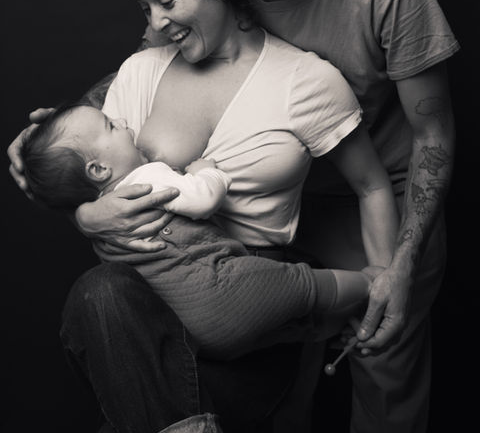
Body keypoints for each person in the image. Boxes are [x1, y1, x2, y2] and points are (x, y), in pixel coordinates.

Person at [8, 0, 401, 433]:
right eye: (144, 7)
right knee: (101, 292)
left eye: (166, 0)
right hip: (150, 308)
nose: (155, 22)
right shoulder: (139, 73)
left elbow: (371, 185)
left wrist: (381, 281)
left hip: (250, 307)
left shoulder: (304, 82)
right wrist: (85, 215)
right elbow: (96, 178)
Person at [23, 100, 388, 360]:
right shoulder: (147, 179)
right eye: (111, 126)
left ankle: (330, 326)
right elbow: (202, 199)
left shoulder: (104, 222)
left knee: (281, 326)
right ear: (99, 170)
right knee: (302, 283)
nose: (122, 121)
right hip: (222, 286)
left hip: (193, 332)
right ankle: (370, 284)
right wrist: (205, 171)